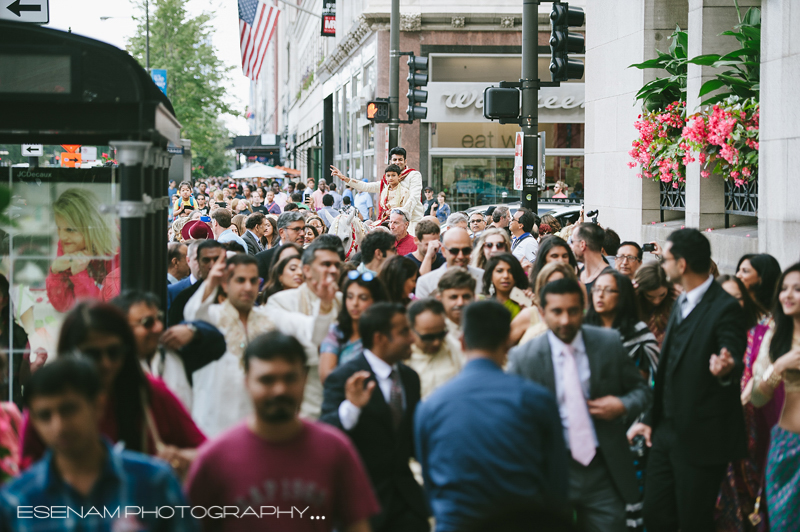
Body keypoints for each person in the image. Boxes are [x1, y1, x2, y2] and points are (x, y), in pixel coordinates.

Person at [185, 331, 380, 532]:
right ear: (247, 383)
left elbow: (357, 526)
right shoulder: (215, 459)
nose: (280, 389)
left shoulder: (335, 450)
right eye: (267, 380)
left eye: (289, 378)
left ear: (304, 379)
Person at [508, 278, 652, 532]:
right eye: (557, 312)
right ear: (542, 313)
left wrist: (621, 404)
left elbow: (641, 390)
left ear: (583, 310)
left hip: (604, 469)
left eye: (573, 311)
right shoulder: (524, 358)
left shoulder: (608, 342)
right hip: (552, 471)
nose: (565, 320)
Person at [416, 300, 569, 531]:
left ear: (462, 341)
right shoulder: (536, 400)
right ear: (508, 340)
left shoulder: (431, 407)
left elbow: (430, 482)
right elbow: (556, 482)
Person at [1, 358, 196, 532]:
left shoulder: (154, 482)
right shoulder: (16, 500)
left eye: (69, 410)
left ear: (98, 405)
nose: (58, 426)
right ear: (33, 421)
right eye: (45, 416)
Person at [19, 302, 206, 477]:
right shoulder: (49, 401)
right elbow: (27, 474)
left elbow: (206, 453)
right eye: (92, 354)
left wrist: (178, 458)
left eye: (113, 352)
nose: (105, 363)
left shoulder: (149, 393)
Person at [640, 228, 748, 532]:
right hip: (665, 433)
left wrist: (726, 366)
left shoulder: (724, 306)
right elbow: (666, 367)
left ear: (683, 264)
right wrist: (651, 418)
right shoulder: (682, 300)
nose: (663, 264)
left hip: (702, 437)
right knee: (656, 515)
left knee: (693, 521)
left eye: (667, 258)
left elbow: (732, 349)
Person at [184, 252, 338, 436]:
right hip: (214, 424)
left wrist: (325, 304)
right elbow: (193, 314)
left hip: (258, 425)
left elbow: (314, 332)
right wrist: (210, 283)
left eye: (253, 281)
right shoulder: (212, 317)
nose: (248, 287)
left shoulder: (269, 317)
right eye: (240, 280)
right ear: (225, 284)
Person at [320, 303, 429, 532]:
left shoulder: (410, 378)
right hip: (363, 505)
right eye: (403, 332)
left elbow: (411, 439)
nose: (412, 338)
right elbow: (326, 435)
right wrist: (351, 407)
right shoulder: (344, 377)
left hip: (407, 504)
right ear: (380, 338)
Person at [715, 274, 775, 531]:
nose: (730, 304)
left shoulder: (762, 335)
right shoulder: (704, 335)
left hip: (757, 423)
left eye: (737, 299)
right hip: (715, 430)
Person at [112, 291, 226, 412]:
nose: (158, 327)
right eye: (148, 323)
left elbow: (218, 344)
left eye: (159, 318)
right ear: (123, 327)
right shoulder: (112, 368)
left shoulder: (173, 355)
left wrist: (193, 331)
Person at [748, 263, 800, 529]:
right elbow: (757, 398)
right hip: (787, 447)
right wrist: (779, 367)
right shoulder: (775, 336)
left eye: (798, 289)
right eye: (784, 288)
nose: (788, 295)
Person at [47, 188, 120, 312]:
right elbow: (63, 307)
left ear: (93, 228)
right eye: (59, 228)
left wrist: (80, 275)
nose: (62, 237)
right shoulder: (69, 243)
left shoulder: (116, 248)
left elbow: (103, 311)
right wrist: (55, 271)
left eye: (70, 230)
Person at [585, 270, 660, 387]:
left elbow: (645, 381)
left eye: (608, 290)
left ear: (622, 295)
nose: (600, 295)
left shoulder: (638, 333)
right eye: (597, 289)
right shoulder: (583, 329)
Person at [333, 146, 423, 232]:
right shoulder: (387, 180)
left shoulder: (414, 175)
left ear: (405, 161)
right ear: (390, 161)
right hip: (390, 220)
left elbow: (414, 197)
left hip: (411, 221)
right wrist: (345, 178)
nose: (397, 162)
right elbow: (366, 186)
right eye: (395, 159)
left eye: (400, 159)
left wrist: (399, 213)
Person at [319, 271, 389, 383]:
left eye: (363, 298)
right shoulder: (336, 332)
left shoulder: (384, 334)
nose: (354, 303)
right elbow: (326, 377)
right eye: (350, 297)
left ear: (376, 301)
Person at [407, 298, 463, 400]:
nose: (437, 342)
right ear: (411, 331)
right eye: (428, 338)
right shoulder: (400, 358)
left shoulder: (455, 350)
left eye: (441, 335)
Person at [167, 240, 227, 327]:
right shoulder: (177, 293)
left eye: (217, 259)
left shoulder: (232, 291)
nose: (212, 265)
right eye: (206, 260)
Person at [416, 228, 484, 298]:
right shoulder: (425, 283)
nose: (460, 256)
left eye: (466, 250)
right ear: (443, 251)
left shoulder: (483, 277)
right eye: (454, 251)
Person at [634, 262, 676, 348]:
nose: (656, 301)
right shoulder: (632, 303)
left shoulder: (675, 304)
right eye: (650, 296)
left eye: (662, 295)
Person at [255, 211, 307, 280]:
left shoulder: (309, 256)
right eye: (296, 229)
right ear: (282, 232)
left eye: (303, 229)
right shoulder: (264, 258)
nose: (302, 233)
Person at [482, 253, 531, 320]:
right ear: (490, 276)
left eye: (510, 271)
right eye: (500, 271)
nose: (506, 276)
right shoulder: (482, 303)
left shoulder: (525, 304)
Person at [571, 223, 609, 297]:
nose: (571, 247)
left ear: (582, 245)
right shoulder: (576, 272)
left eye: (572, 242)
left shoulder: (611, 279)